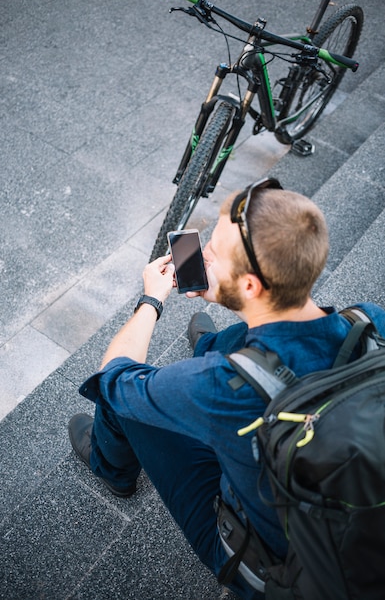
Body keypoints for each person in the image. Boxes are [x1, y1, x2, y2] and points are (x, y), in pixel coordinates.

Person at [68, 179, 385, 599]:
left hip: (262, 561)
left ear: (251, 285)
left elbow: (116, 376)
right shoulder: (370, 322)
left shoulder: (220, 386)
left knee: (125, 402)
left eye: (212, 252)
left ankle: (113, 468)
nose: (202, 255)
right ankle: (209, 344)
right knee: (246, 337)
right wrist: (225, 292)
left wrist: (152, 299)